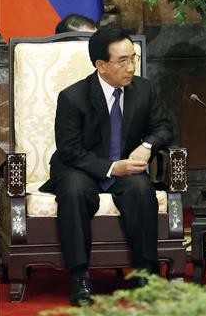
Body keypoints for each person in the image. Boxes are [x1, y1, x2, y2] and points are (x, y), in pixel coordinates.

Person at [40, 27, 173, 306]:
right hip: (81, 166)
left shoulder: (144, 89)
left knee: (140, 189)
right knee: (74, 192)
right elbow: (70, 150)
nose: (131, 67)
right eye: (122, 61)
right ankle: (80, 278)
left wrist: (147, 146)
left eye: (133, 58)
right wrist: (112, 168)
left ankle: (145, 273)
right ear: (101, 66)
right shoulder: (73, 97)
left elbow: (163, 127)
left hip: (127, 165)